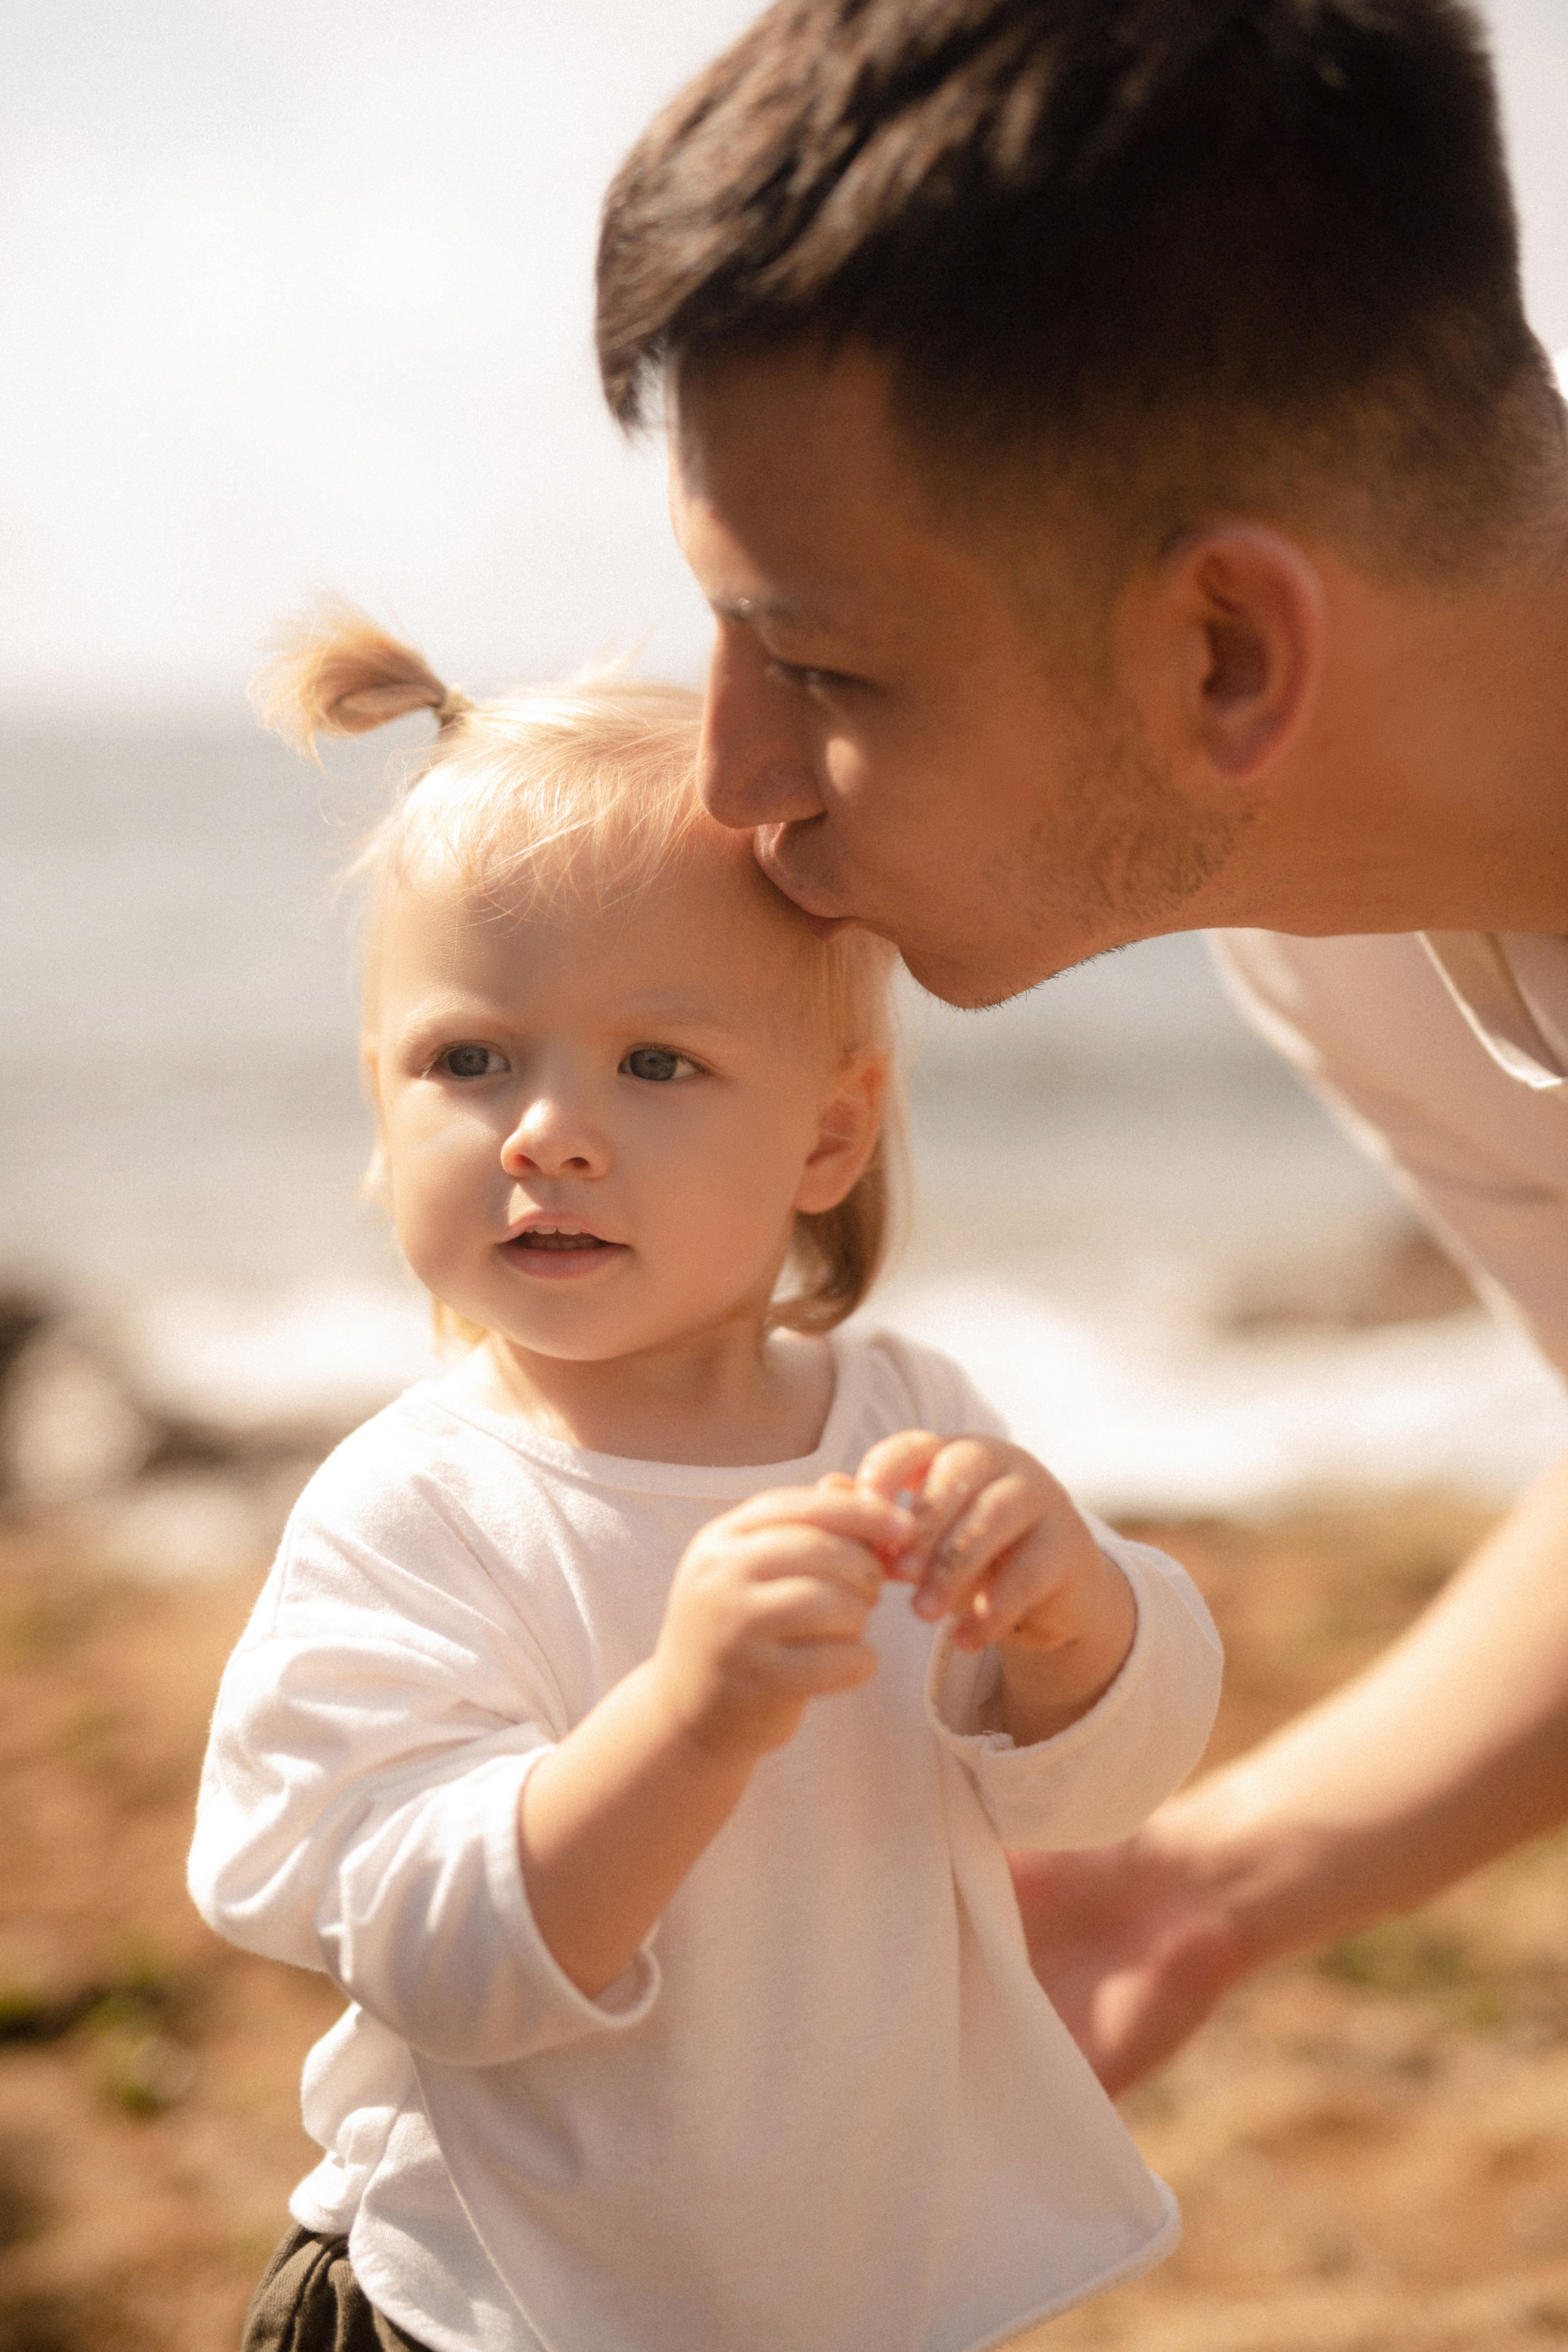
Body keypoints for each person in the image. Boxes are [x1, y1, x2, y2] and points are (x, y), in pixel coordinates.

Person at [592, 0, 1568, 2092]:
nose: (733, 778)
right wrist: (1197, 1883)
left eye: (820, 658)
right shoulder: (1351, 932)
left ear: (1228, 649)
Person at [187, 612, 1222, 2352]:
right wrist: (684, 1719)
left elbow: (1089, 1790)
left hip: (840, 2279)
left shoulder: (905, 1419)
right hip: (488, 2299)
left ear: (829, 1131)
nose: (547, 1131)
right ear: (382, 1105)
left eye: (656, 1063)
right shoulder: (417, 1509)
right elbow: (428, 1956)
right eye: (469, 1060)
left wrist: (1078, 1622)